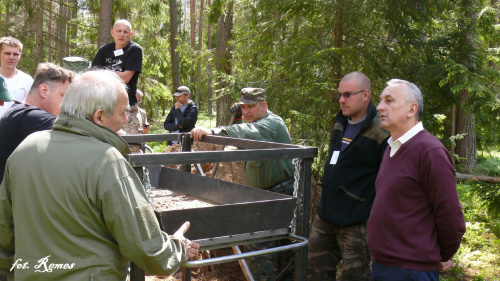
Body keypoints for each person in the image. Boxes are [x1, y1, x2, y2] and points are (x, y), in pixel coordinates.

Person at [0, 70, 199, 280]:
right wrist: (178, 248)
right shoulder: (106, 160)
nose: (125, 119)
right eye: (122, 112)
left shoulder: (26, 149)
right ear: (99, 116)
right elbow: (146, 249)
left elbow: (4, 232)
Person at [367, 79, 466, 281]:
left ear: (412, 109)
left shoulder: (430, 151)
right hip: (384, 265)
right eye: (380, 100)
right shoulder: (391, 148)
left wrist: (441, 255)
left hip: (411, 271)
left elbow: (451, 218)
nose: (379, 107)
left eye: (389, 100)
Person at [191, 87, 294, 280]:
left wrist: (215, 130)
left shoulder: (272, 124)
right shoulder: (253, 121)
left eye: (251, 107)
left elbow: (249, 133)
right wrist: (237, 119)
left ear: (264, 105)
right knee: (283, 250)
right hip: (264, 195)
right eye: (243, 107)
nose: (246, 111)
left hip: (281, 194)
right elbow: (242, 136)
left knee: (258, 247)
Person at [307, 72, 390, 281]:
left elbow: (386, 180)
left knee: (354, 276)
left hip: (356, 221)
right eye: (339, 95)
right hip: (325, 216)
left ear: (365, 95)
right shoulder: (340, 121)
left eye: (347, 95)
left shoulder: (381, 130)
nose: (341, 100)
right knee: (313, 271)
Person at [0, 63, 74, 184]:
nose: (68, 105)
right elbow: (83, 130)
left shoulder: (19, 113)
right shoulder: (28, 117)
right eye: (64, 96)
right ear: (44, 91)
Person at [91, 19, 142, 107]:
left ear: (130, 35)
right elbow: (93, 74)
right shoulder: (104, 50)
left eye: (125, 32)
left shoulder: (134, 50)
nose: (121, 35)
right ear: (112, 33)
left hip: (126, 105)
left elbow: (126, 78)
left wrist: (102, 73)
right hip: (104, 103)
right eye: (119, 31)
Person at [0, 36, 33, 118]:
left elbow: (32, 108)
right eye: (7, 53)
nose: (11, 57)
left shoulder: (27, 80)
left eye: (15, 54)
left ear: (20, 56)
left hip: (15, 128)